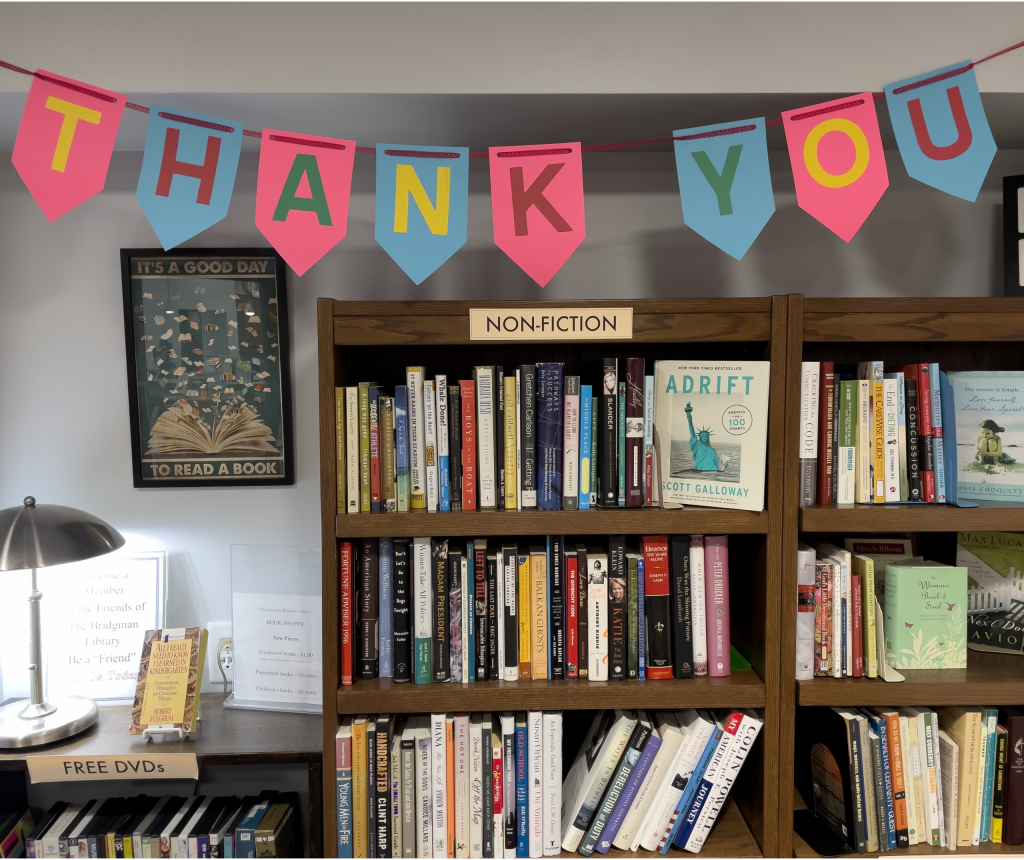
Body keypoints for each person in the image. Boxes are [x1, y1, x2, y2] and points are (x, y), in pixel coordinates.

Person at [685, 402, 730, 471]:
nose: (704, 438)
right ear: (700, 438)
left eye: (706, 436)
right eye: (702, 436)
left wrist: (724, 463)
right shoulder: (697, 446)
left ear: (708, 438)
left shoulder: (711, 450)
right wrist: (688, 413)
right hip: (699, 469)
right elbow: (691, 428)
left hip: (710, 471)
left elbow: (716, 459)